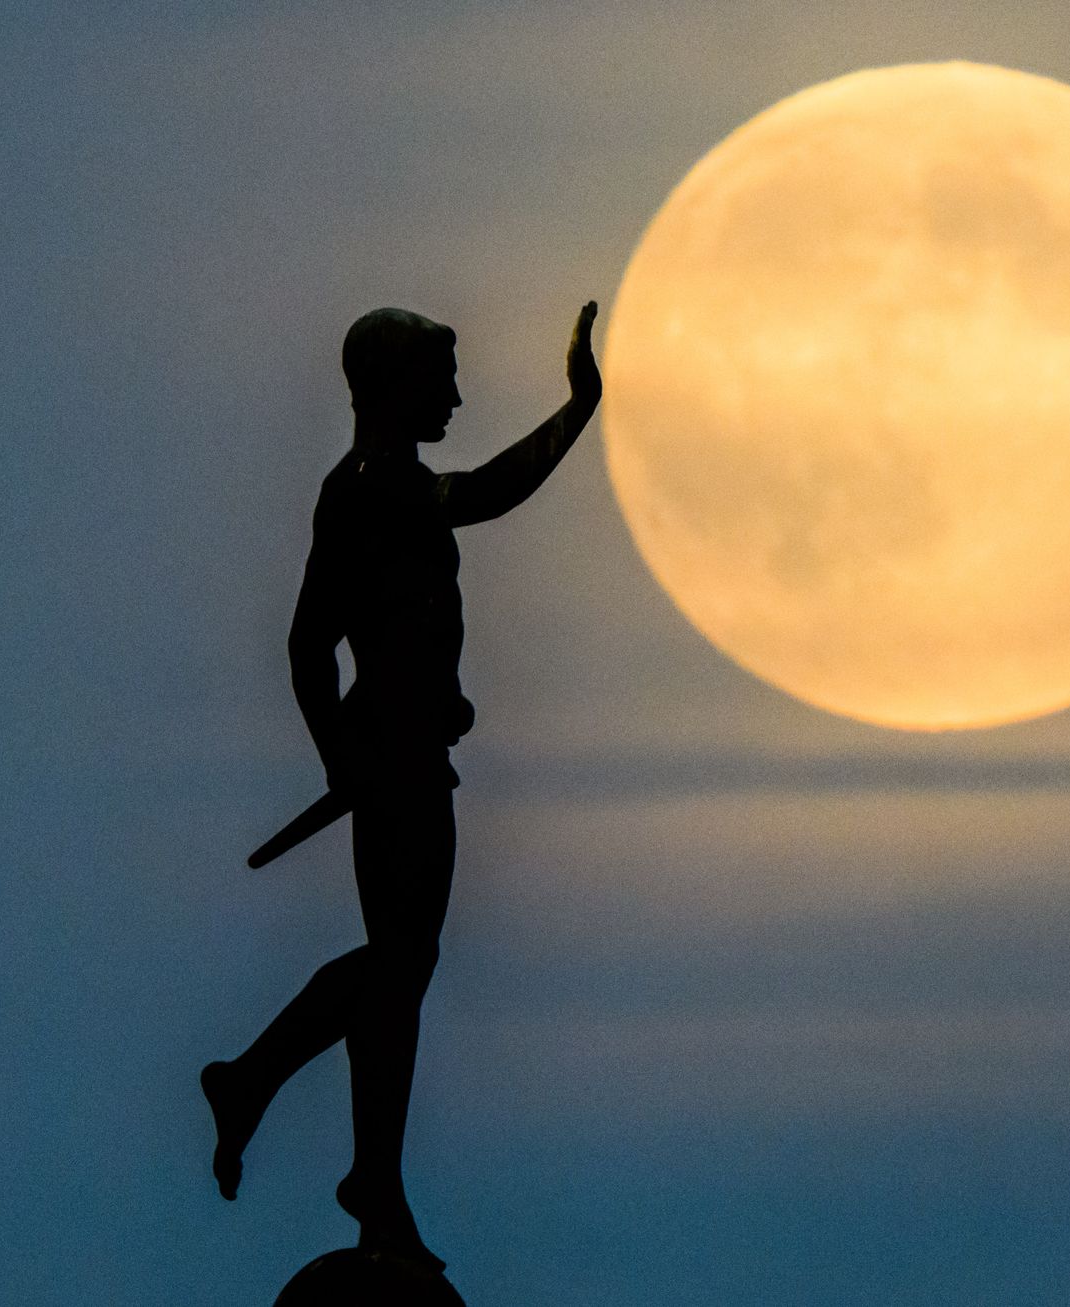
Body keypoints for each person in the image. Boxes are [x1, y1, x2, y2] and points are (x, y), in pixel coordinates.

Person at [202, 301, 602, 1271]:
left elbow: (348, 632)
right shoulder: (374, 488)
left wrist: (393, 720)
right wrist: (577, 408)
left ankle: (366, 1172)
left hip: (410, 754)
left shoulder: (378, 488)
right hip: (395, 762)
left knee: (402, 969)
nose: (456, 397)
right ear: (390, 385)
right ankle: (265, 1088)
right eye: (441, 379)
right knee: (399, 964)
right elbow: (310, 643)